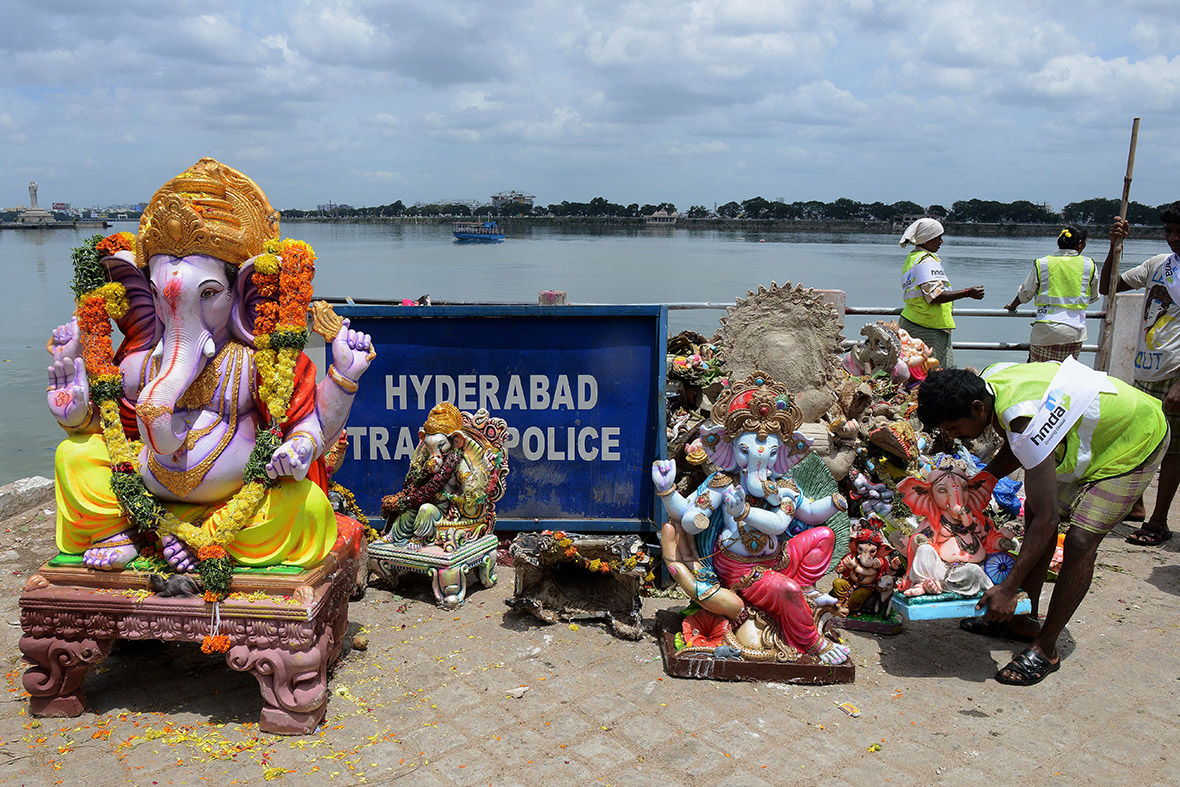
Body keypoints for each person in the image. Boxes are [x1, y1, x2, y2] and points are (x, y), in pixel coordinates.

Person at [916, 360, 1167, 685]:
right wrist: (981, 481)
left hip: (1135, 438)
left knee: (1079, 541)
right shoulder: (989, 381)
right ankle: (1023, 619)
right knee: (1034, 510)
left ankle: (1046, 647)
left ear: (978, 408)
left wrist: (1006, 588)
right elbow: (1017, 449)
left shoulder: (1024, 422)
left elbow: (1048, 516)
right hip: (1092, 434)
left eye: (953, 428)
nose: (953, 436)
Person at [1103, 205, 1180, 545]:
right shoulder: (1157, 265)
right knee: (1141, 442)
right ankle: (1136, 505)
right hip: (1146, 367)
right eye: (1169, 232)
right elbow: (1108, 285)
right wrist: (1114, 247)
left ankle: (1159, 521)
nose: (1173, 238)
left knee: (1173, 451)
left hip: (1175, 371)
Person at [899, 218, 985, 367]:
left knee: (916, 374)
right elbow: (935, 296)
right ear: (926, 240)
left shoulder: (914, 257)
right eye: (937, 238)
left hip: (917, 321)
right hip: (926, 327)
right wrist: (967, 292)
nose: (941, 241)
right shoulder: (926, 261)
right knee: (931, 375)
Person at [1005, 226, 1099, 362]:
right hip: (1073, 331)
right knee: (1064, 374)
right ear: (1080, 244)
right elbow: (1093, 297)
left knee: (1037, 371)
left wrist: (1012, 305)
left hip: (1045, 329)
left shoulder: (1042, 263)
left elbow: (1025, 294)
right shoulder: (1089, 265)